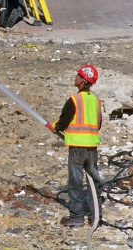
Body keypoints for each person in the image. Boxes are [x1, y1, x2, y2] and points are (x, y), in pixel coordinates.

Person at [53, 64, 103, 227]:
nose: (76, 78)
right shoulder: (95, 101)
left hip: (77, 148)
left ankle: (76, 217)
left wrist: (57, 127)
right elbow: (98, 123)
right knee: (93, 181)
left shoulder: (74, 100)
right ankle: (96, 217)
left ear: (83, 81)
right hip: (92, 148)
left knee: (75, 182)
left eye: (78, 76)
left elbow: (63, 121)